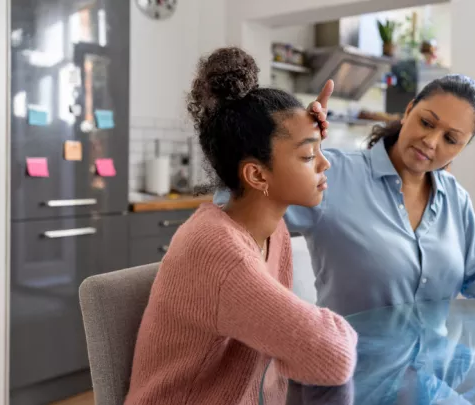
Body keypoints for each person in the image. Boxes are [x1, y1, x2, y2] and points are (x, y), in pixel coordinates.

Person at [214, 74, 475, 325]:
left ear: (462, 148)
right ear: (408, 111)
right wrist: (292, 146)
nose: (431, 141)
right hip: (348, 377)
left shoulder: (454, 199)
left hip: (434, 379)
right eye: (427, 123)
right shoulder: (334, 175)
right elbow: (232, 210)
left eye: (451, 138)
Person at [125, 47, 358, 405]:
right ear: (255, 174)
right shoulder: (217, 249)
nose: (324, 164)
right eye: (309, 156)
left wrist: (301, 132)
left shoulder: (270, 230)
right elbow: (333, 355)